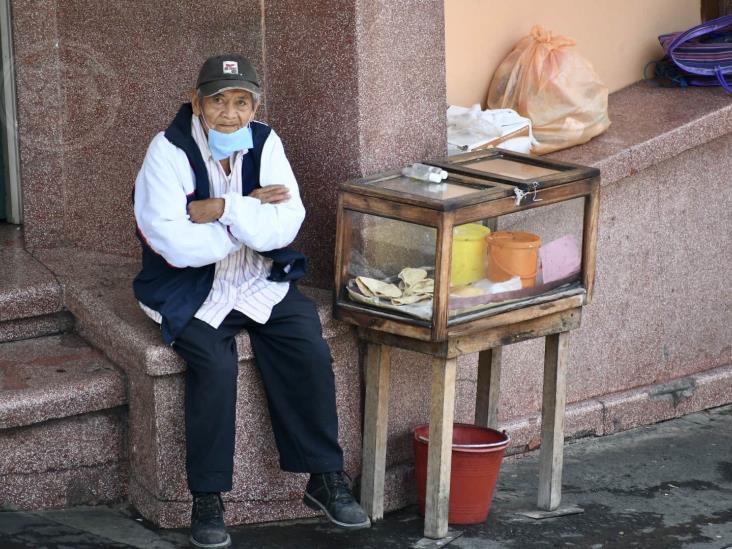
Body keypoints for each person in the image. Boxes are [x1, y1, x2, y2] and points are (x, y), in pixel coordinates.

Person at [132, 54, 370, 549]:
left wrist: (223, 209)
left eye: (242, 101)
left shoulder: (265, 141)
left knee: (306, 340)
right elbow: (173, 242)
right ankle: (208, 497)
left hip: (257, 279)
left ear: (254, 104)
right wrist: (249, 219)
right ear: (195, 101)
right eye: (218, 100)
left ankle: (324, 478)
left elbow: (287, 223)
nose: (230, 113)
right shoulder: (168, 150)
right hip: (187, 287)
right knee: (214, 366)